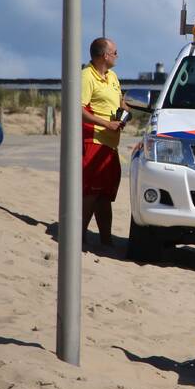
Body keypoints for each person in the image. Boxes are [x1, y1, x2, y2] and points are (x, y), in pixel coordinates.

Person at [81, 37, 130, 247]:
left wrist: (126, 111)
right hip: (94, 140)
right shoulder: (86, 76)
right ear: (104, 55)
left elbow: (120, 102)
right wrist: (106, 124)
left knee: (105, 194)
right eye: (115, 52)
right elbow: (78, 109)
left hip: (111, 144)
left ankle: (106, 239)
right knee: (91, 192)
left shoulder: (113, 76)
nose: (117, 56)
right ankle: (78, 236)